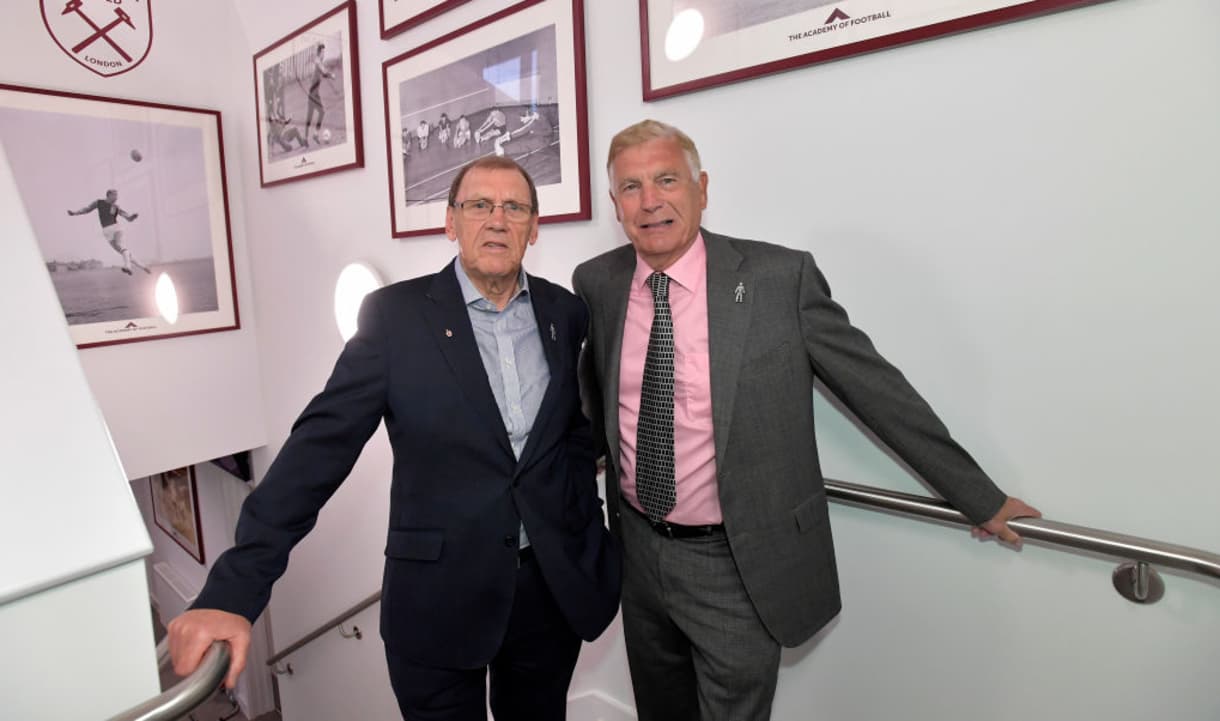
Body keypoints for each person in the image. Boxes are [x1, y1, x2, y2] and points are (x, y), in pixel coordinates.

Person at [571, 119, 1041, 721]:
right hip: (637, 550)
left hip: (737, 561)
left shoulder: (777, 280)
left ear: (701, 187)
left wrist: (978, 496)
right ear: (615, 204)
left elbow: (875, 388)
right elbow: (592, 400)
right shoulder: (599, 283)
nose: (650, 201)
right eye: (631, 188)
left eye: (666, 179)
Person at [169, 156, 621, 721]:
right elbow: (318, 451)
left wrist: (586, 523)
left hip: (548, 594)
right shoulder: (394, 318)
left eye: (515, 208)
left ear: (534, 227)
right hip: (436, 602)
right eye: (479, 205)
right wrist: (232, 590)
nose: (497, 220)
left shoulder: (565, 312)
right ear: (451, 222)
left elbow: (569, 434)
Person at [67, 189, 149, 275]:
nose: (116, 198)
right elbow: (87, 209)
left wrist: (132, 216)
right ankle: (143, 266)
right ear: (108, 195)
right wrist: (75, 213)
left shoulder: (116, 207)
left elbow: (128, 218)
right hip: (106, 231)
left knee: (121, 246)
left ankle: (128, 266)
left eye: (117, 195)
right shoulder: (99, 202)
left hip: (116, 228)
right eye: (114, 195)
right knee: (122, 250)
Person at [303, 43, 334, 146]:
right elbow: (324, 72)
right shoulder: (317, 61)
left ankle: (307, 137)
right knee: (318, 113)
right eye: (323, 52)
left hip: (314, 93)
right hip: (313, 94)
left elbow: (322, 74)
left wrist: (327, 75)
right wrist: (331, 75)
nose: (324, 54)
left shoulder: (318, 62)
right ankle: (312, 136)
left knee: (312, 116)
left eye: (325, 52)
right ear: (320, 52)